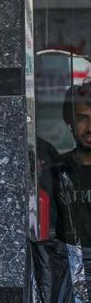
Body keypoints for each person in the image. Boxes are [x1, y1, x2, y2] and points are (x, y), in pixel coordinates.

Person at [48, 84, 91, 245]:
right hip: (68, 265)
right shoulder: (57, 170)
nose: (90, 128)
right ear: (69, 121)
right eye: (82, 118)